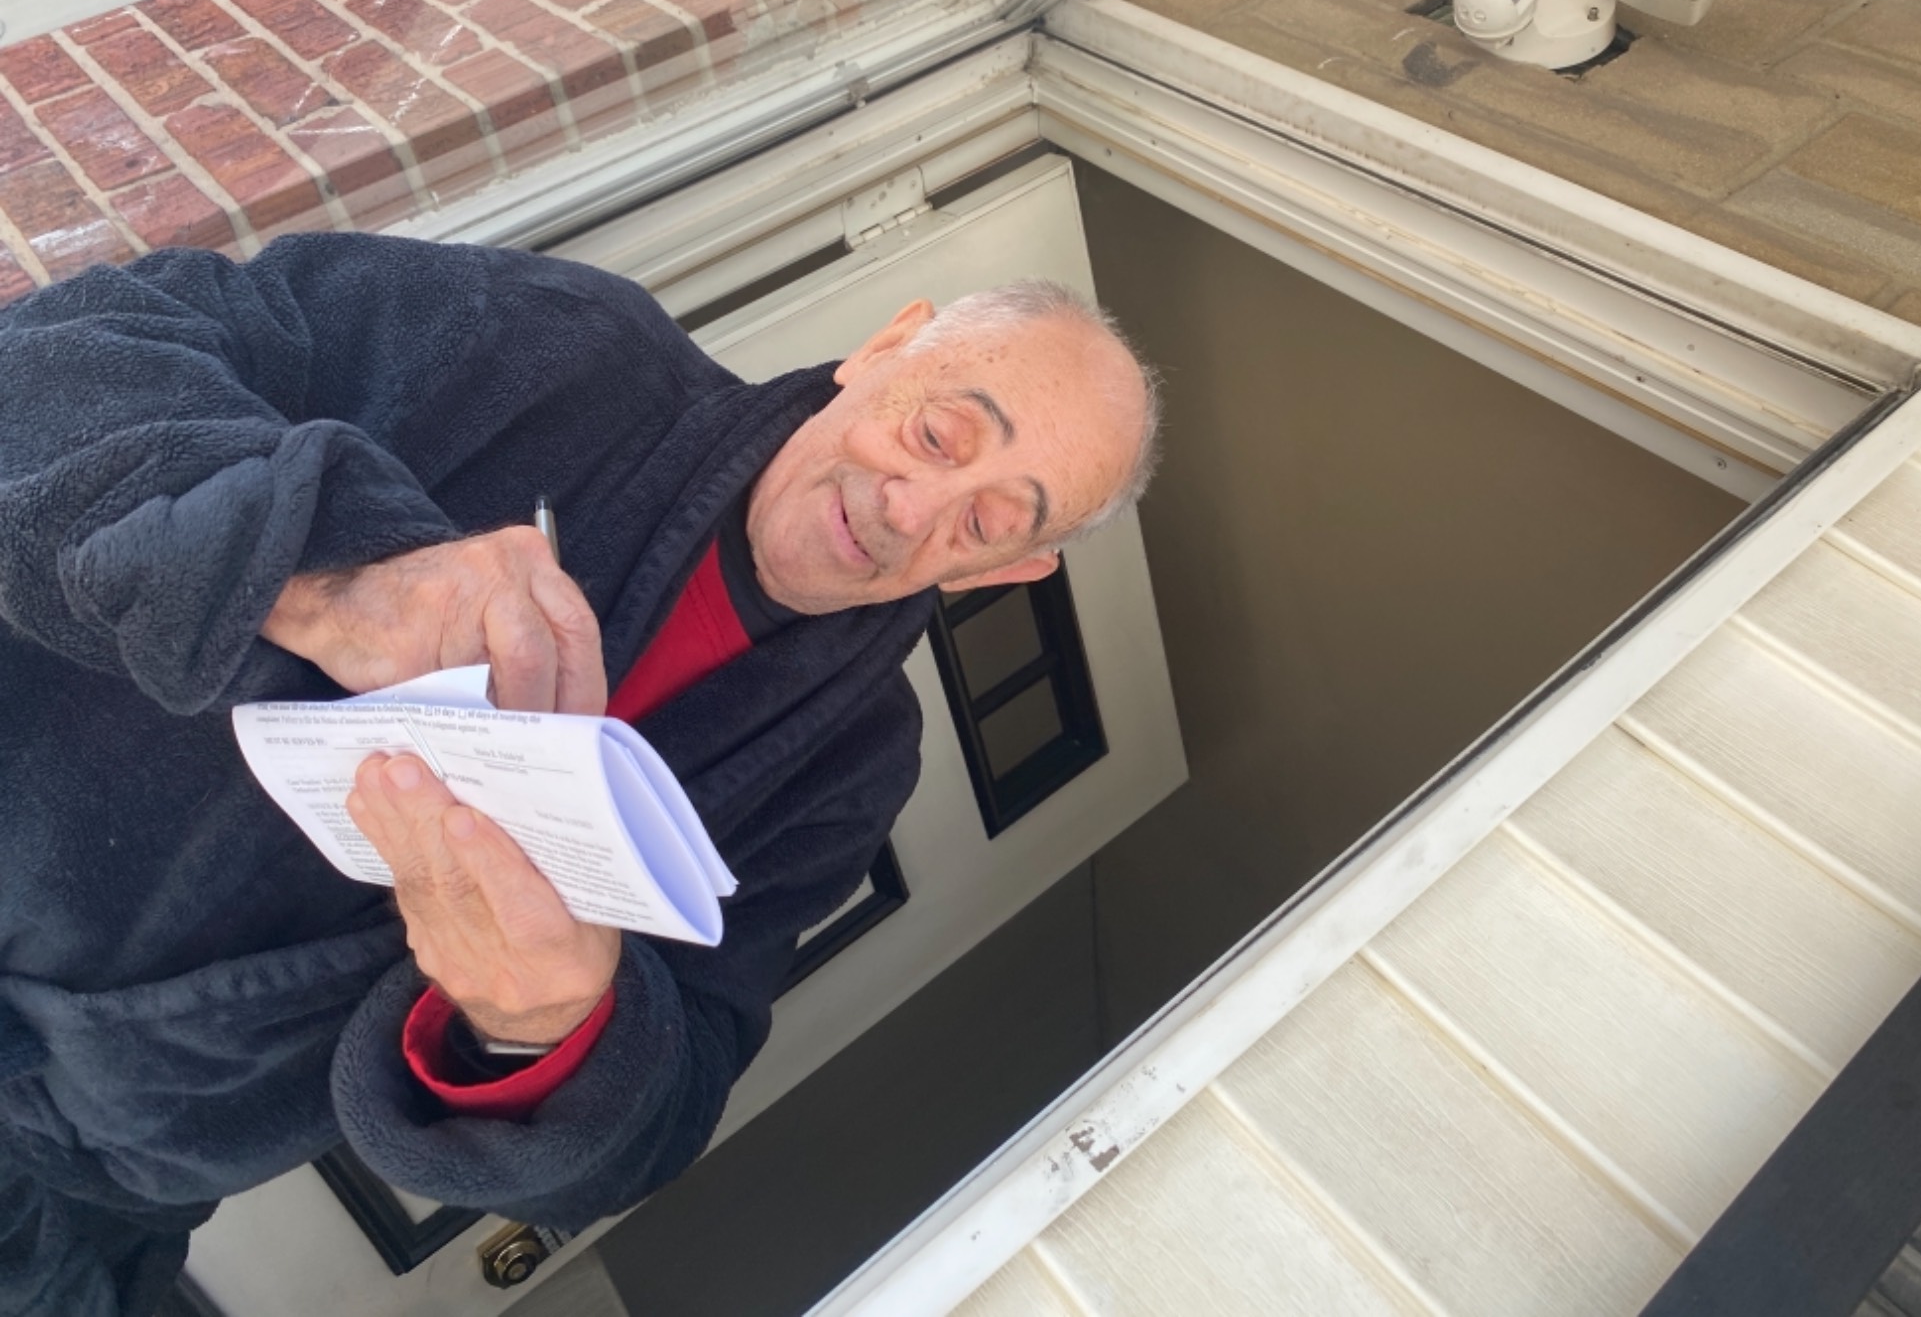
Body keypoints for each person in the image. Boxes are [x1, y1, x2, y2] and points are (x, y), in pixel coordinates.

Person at [0, 232, 1158, 1317]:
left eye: (986, 524)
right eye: (940, 437)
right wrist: (321, 569)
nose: (910, 511)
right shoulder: (559, 343)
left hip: (102, 1189)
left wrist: (546, 1026)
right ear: (886, 349)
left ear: (1005, 573)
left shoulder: (854, 766)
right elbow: (62, 354)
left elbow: (668, 1101)